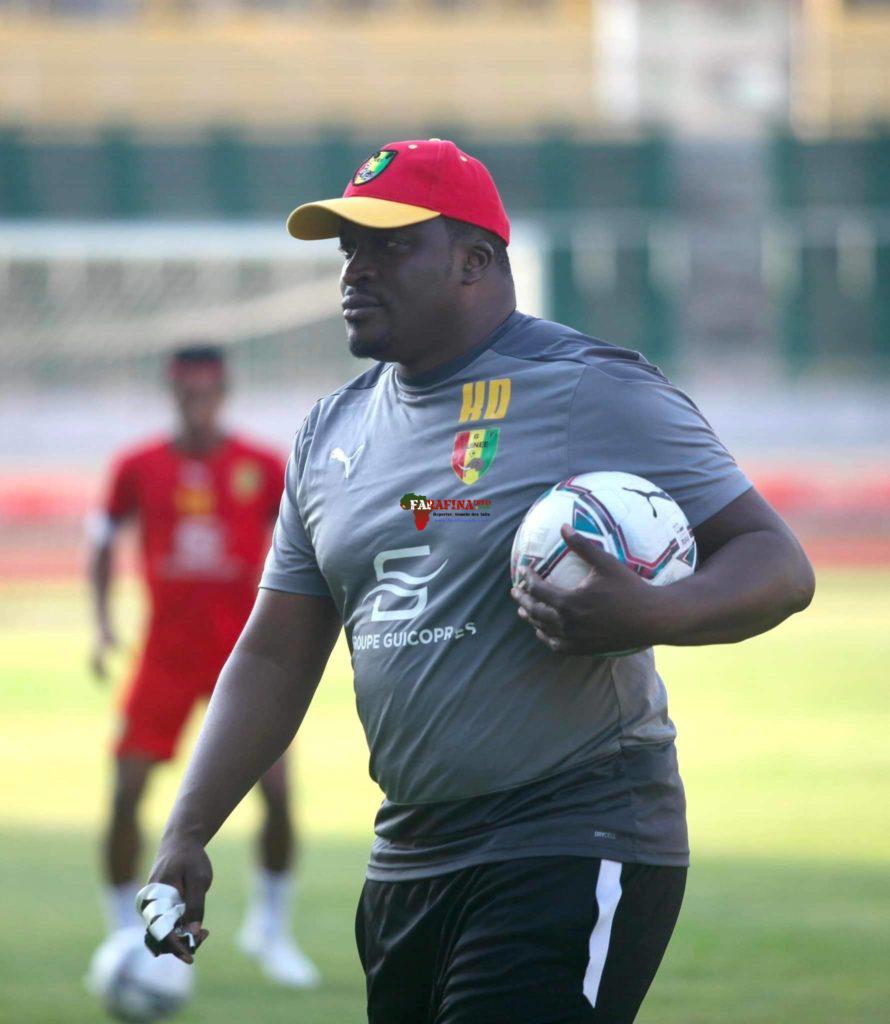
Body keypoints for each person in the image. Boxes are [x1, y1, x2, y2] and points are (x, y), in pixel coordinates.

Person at [138, 141, 815, 1023]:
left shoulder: (590, 388)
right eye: (348, 247)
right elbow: (275, 653)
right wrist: (188, 829)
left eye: (389, 246)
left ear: (474, 261)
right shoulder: (329, 432)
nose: (355, 270)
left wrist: (654, 610)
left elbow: (776, 562)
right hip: (409, 854)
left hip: (574, 831)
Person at [89, 345, 319, 988]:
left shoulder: (260, 466)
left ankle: (270, 930)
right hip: (164, 654)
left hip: (242, 658)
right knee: (126, 792)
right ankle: (123, 933)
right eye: (185, 391)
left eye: (207, 391)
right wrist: (102, 622)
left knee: (278, 794)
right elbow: (101, 539)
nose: (197, 403)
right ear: (172, 393)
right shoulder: (138, 466)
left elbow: (305, 545)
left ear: (223, 392)